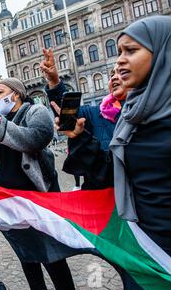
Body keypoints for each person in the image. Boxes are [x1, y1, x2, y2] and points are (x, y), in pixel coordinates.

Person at [56, 15, 171, 290]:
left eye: (131, 51)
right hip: (141, 250)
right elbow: (114, 174)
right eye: (119, 51)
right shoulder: (131, 115)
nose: (119, 61)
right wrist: (81, 139)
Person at [0, 78, 77, 290]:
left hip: (38, 201)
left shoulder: (35, 111)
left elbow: (34, 140)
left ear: (15, 93)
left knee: (53, 258)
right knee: (28, 259)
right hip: (11, 203)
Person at [41, 47, 131, 190]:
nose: (114, 77)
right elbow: (70, 116)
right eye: (112, 73)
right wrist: (54, 81)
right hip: (101, 195)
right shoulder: (94, 113)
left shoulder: (149, 114)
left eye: (122, 72)